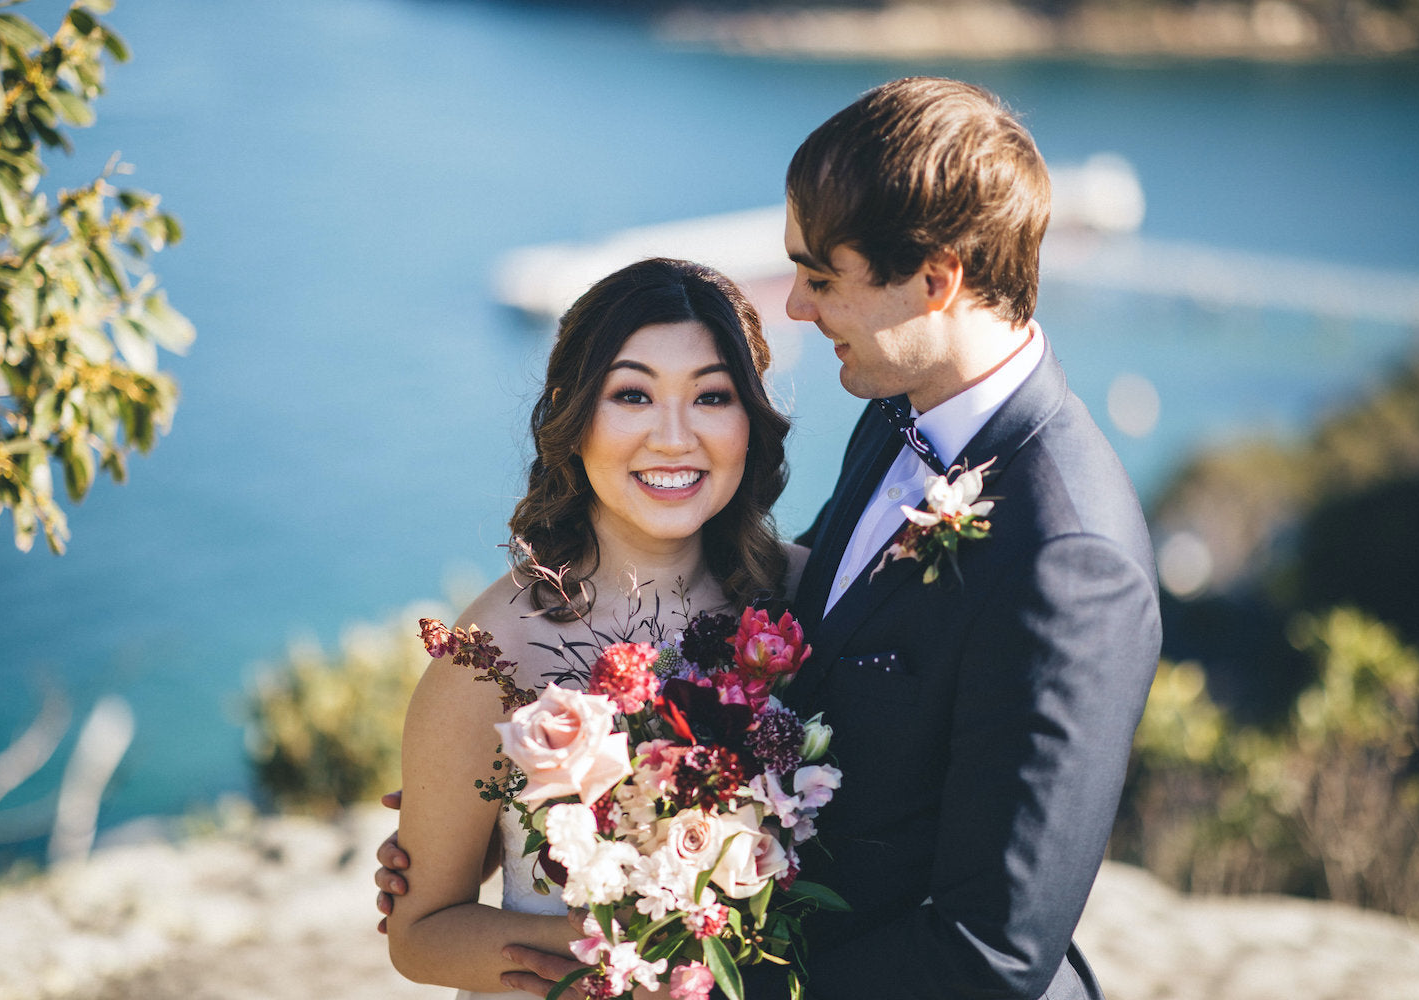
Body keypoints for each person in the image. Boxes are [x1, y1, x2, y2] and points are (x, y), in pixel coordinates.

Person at [381, 77, 1162, 999]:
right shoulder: (897, 420)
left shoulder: (1071, 557)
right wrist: (483, 807)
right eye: (632, 394)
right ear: (574, 416)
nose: (795, 306)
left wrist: (687, 976)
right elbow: (843, 640)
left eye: (822, 277)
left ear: (935, 282)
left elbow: (989, 954)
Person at [382, 256, 801, 997]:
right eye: (632, 394)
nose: (673, 438)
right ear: (573, 415)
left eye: (711, 396)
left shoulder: (805, 603)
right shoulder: (492, 650)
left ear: (750, 419)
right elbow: (421, 934)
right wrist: (643, 958)